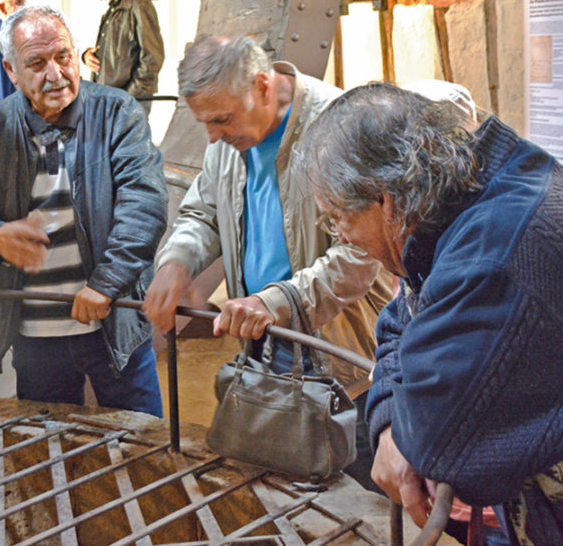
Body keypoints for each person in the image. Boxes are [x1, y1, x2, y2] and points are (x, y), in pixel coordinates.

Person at [300, 82, 563, 543]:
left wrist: (397, 423)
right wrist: (387, 426)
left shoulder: (492, 256)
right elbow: (398, 318)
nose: (339, 235)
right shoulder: (462, 198)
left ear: (385, 201)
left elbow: (434, 445)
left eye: (338, 216)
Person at [143, 35, 395, 489]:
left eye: (220, 120)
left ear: (263, 86)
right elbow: (203, 211)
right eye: (205, 123)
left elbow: (361, 253)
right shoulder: (231, 135)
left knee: (355, 504)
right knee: (283, 495)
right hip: (267, 348)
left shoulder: (338, 126)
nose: (213, 136)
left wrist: (276, 301)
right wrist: (177, 262)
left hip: (341, 365)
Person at [0, 5, 168, 417]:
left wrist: (108, 282)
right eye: (37, 62)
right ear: (11, 72)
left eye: (63, 56)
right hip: (35, 335)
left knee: (143, 440)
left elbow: (145, 204)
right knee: (47, 449)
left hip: (113, 321)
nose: (56, 73)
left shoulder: (117, 112)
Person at [81, 0, 164, 113]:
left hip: (126, 106)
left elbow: (152, 59)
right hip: (108, 102)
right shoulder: (114, 7)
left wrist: (128, 99)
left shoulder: (140, 5)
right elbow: (115, 52)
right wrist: (86, 56)